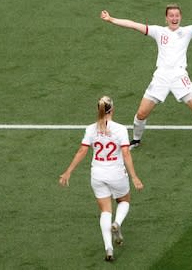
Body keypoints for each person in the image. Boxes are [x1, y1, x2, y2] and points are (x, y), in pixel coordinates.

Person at [100, 4, 192, 150]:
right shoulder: (158, 31)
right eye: (171, 16)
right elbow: (134, 25)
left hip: (180, 76)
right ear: (166, 18)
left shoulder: (188, 31)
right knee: (142, 113)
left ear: (180, 17)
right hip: (161, 77)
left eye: (177, 15)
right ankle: (136, 140)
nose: (174, 18)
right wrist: (111, 19)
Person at [59, 96, 144, 262]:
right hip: (116, 173)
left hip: (97, 174)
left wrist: (68, 171)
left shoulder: (91, 129)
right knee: (124, 200)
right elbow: (126, 153)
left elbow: (82, 151)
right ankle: (117, 223)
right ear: (112, 110)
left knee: (105, 210)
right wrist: (134, 177)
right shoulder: (120, 129)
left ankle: (109, 248)